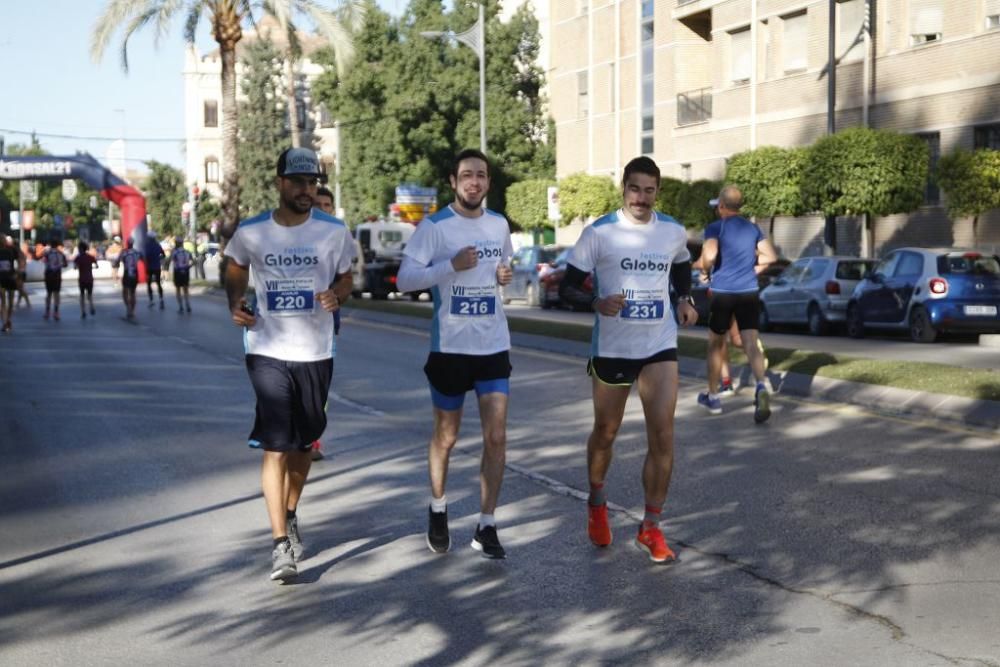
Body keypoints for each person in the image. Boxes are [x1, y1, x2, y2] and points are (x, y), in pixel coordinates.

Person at [558, 156, 698, 563]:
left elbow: (683, 264)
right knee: (606, 430)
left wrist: (685, 299)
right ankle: (597, 500)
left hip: (658, 344)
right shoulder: (600, 233)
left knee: (664, 435)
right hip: (613, 348)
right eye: (635, 189)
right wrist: (596, 301)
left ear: (657, 192)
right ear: (624, 189)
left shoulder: (671, 230)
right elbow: (568, 287)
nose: (641, 197)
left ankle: (651, 526)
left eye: (649, 190)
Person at [224, 147, 353, 583]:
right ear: (279, 183)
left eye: (312, 182)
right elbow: (235, 265)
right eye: (297, 181)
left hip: (316, 350)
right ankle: (280, 545)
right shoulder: (252, 231)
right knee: (277, 443)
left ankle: (291, 510)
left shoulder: (333, 232)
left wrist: (338, 294)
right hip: (266, 347)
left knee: (304, 443)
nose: (305, 189)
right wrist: (234, 301)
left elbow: (347, 275)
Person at [397, 148, 515, 560]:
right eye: (467, 175)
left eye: (481, 175)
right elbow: (406, 279)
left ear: (488, 182)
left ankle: (487, 523)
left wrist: (505, 276)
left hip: (492, 345)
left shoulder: (499, 225)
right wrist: (450, 265)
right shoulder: (434, 227)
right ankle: (438, 506)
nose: (474, 182)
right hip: (450, 347)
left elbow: (503, 271)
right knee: (446, 437)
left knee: (496, 437)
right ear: (453, 181)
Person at [696, 186, 777, 423]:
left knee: (715, 344)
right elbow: (770, 256)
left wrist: (707, 270)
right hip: (749, 292)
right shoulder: (752, 228)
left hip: (723, 293)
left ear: (722, 205)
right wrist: (752, 268)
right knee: (751, 342)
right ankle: (761, 386)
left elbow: (709, 256)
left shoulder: (715, 227)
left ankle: (713, 397)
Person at [41, 239, 68, 321]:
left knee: (48, 294)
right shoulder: (61, 254)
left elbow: (43, 261)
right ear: (57, 245)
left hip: (49, 275)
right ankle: (56, 312)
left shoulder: (47, 253)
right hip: (57, 276)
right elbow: (65, 264)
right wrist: (59, 265)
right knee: (56, 294)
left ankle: (47, 312)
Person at [0, 236, 21, 332]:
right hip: (9, 278)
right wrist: (18, 272)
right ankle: (6, 321)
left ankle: (6, 321)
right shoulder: (11, 250)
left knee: (5, 302)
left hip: (7, 278)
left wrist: (18, 271)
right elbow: (21, 259)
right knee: (8, 301)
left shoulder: (12, 250)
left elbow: (21, 259)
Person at [118, 238, 142, 320]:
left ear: (127, 244)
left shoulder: (124, 252)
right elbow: (142, 259)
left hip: (127, 273)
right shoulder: (136, 252)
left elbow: (118, 260)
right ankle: (132, 311)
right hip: (135, 274)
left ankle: (128, 308)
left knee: (125, 292)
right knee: (133, 293)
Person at [73, 241, 98, 319]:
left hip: (82, 279)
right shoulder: (90, 257)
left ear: (80, 249)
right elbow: (97, 266)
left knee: (82, 295)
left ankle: (83, 311)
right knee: (90, 294)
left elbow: (75, 267)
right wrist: (90, 267)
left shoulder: (78, 258)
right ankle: (91, 306)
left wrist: (80, 267)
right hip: (90, 278)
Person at [169, 236, 194, 313]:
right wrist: (188, 266)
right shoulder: (187, 252)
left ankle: (181, 306)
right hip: (186, 271)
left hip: (178, 272)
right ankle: (188, 304)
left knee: (178, 289)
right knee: (186, 289)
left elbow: (170, 260)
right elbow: (193, 261)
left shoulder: (174, 252)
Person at [143, 231, 166, 309]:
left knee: (149, 284)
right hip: (157, 267)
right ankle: (161, 299)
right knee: (158, 283)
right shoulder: (157, 245)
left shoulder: (147, 246)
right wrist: (158, 258)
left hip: (149, 267)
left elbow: (146, 256)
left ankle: (151, 300)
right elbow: (163, 254)